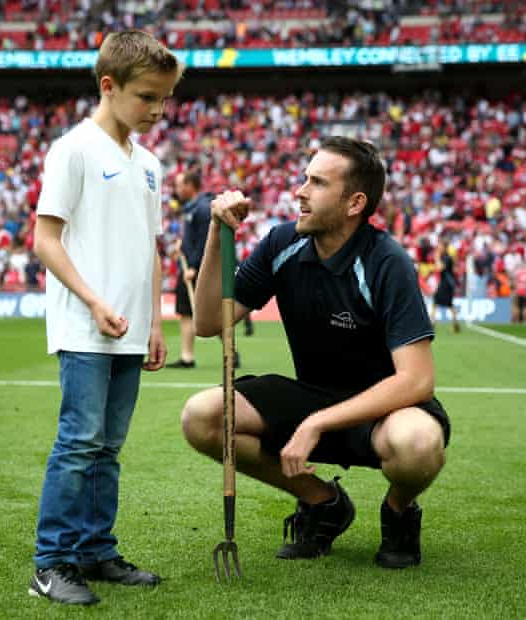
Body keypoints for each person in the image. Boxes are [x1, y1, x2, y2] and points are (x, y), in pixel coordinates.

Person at [181, 137, 450, 570]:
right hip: (313, 393)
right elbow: (211, 321)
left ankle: (399, 510)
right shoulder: (281, 244)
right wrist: (218, 233)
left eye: (317, 182)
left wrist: (317, 423)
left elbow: (416, 380)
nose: (300, 192)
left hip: (384, 408)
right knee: (202, 416)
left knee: (417, 444)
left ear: (354, 203)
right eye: (305, 178)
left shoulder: (386, 261)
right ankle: (323, 501)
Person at [28, 30, 181, 606]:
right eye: (148, 98)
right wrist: (93, 300)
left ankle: (96, 549)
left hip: (131, 328)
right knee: (80, 441)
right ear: (109, 86)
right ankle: (52, 562)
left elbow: (151, 248)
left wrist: (156, 321)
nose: (158, 111)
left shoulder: (148, 163)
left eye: (165, 99)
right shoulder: (73, 149)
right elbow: (45, 240)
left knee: (109, 446)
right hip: (85, 325)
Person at [166, 169, 213, 369]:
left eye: (179, 185)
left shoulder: (201, 209)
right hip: (193, 266)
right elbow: (192, 239)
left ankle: (188, 357)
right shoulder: (193, 208)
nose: (176, 189)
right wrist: (181, 245)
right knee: (192, 312)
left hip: (196, 269)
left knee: (195, 312)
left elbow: (204, 241)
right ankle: (187, 356)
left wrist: (193, 266)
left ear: (189, 186)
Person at [432, 240, 460, 333]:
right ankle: (455, 323)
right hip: (446, 283)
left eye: (440, 246)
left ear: (444, 247)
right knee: (446, 303)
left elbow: (440, 268)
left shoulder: (446, 258)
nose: (438, 248)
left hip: (446, 284)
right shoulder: (446, 257)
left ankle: (432, 323)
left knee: (439, 302)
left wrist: (436, 258)